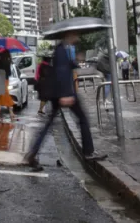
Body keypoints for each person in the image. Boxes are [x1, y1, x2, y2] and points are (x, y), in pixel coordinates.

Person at [27, 31, 104, 171]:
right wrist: (65, 95)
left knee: (48, 124)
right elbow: (61, 72)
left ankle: (32, 153)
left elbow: (66, 67)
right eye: (76, 34)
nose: (78, 36)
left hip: (60, 93)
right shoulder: (62, 50)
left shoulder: (64, 49)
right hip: (64, 93)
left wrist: (75, 61)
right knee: (83, 119)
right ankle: (88, 152)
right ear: (69, 35)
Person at [0, 50, 17, 123]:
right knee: (4, 96)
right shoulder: (7, 62)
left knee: (4, 97)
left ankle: (11, 113)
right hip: (5, 80)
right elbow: (9, 73)